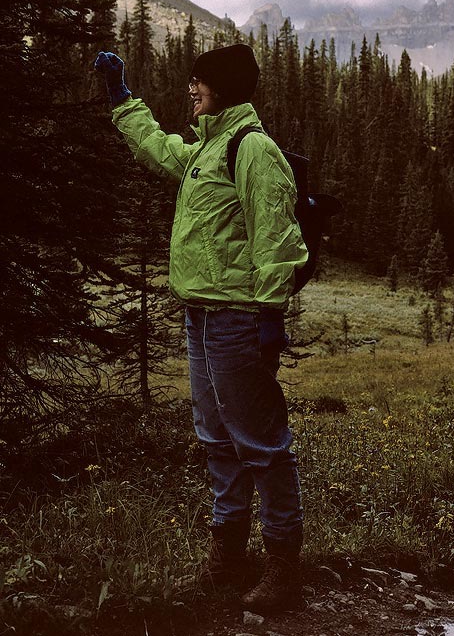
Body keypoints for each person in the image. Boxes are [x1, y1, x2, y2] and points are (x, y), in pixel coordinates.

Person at [94, 44, 308, 613]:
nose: (192, 89)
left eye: (201, 82)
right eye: (192, 81)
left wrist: (269, 318)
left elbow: (277, 239)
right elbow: (162, 150)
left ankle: (285, 570)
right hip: (201, 316)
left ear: (227, 88)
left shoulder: (252, 148)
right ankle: (230, 557)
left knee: (259, 443)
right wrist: (122, 100)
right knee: (217, 440)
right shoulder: (208, 147)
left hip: (237, 320)